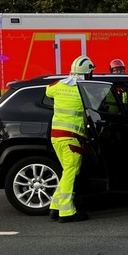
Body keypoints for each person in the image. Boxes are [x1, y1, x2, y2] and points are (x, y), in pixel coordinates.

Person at [45, 55, 94, 223]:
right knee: (70, 172)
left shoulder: (58, 86)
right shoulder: (83, 91)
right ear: (86, 73)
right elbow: (97, 105)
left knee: (67, 171)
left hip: (56, 137)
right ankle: (67, 212)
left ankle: (55, 206)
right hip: (71, 139)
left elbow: (48, 91)